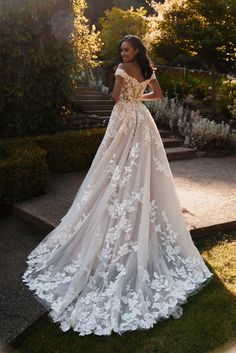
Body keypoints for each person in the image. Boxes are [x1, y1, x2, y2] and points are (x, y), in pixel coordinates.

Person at [22, 34, 213, 336]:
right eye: (121, 50)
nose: (122, 53)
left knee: (115, 163)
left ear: (135, 49)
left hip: (125, 117)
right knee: (135, 165)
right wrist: (140, 99)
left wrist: (127, 94)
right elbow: (158, 94)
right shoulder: (148, 70)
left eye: (126, 49)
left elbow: (114, 98)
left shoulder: (121, 71)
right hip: (140, 118)